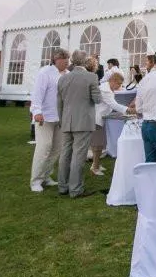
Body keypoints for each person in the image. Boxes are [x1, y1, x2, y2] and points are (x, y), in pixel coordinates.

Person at [57, 50, 102, 198]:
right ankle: (75, 189)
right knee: (78, 155)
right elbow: (97, 99)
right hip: (83, 121)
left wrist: (61, 120)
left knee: (65, 154)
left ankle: (63, 186)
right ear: (85, 61)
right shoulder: (91, 77)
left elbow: (59, 103)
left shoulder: (63, 78)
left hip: (66, 120)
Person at [29, 48, 70, 192]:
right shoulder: (45, 72)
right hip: (45, 117)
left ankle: (46, 176)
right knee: (44, 148)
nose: (67, 63)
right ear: (56, 60)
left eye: (68, 61)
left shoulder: (68, 74)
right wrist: (37, 111)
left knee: (56, 149)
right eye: (65, 61)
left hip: (61, 117)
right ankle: (35, 181)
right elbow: (37, 94)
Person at [91, 72, 127, 175]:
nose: (119, 86)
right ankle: (94, 168)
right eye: (118, 84)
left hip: (99, 119)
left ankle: (96, 165)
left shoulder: (107, 89)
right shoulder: (105, 90)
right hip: (96, 119)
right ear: (113, 81)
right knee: (97, 145)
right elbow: (113, 105)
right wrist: (127, 109)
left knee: (100, 145)